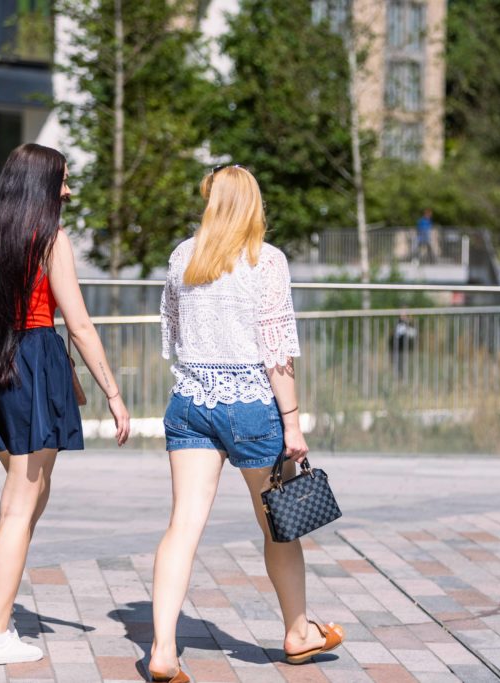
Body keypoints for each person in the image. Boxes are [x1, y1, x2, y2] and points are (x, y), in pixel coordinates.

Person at [0, 143, 131, 666]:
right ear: (40, 183)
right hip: (32, 367)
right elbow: (79, 324)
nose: (67, 189)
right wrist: (114, 392)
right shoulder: (50, 240)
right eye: (61, 180)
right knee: (19, 505)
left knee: (31, 491)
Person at [148, 165, 344, 682]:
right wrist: (293, 425)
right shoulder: (266, 260)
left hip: (189, 399)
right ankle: (299, 632)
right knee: (279, 527)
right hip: (252, 405)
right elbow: (277, 353)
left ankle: (163, 650)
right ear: (253, 203)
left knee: (182, 526)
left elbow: (172, 332)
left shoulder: (182, 256)